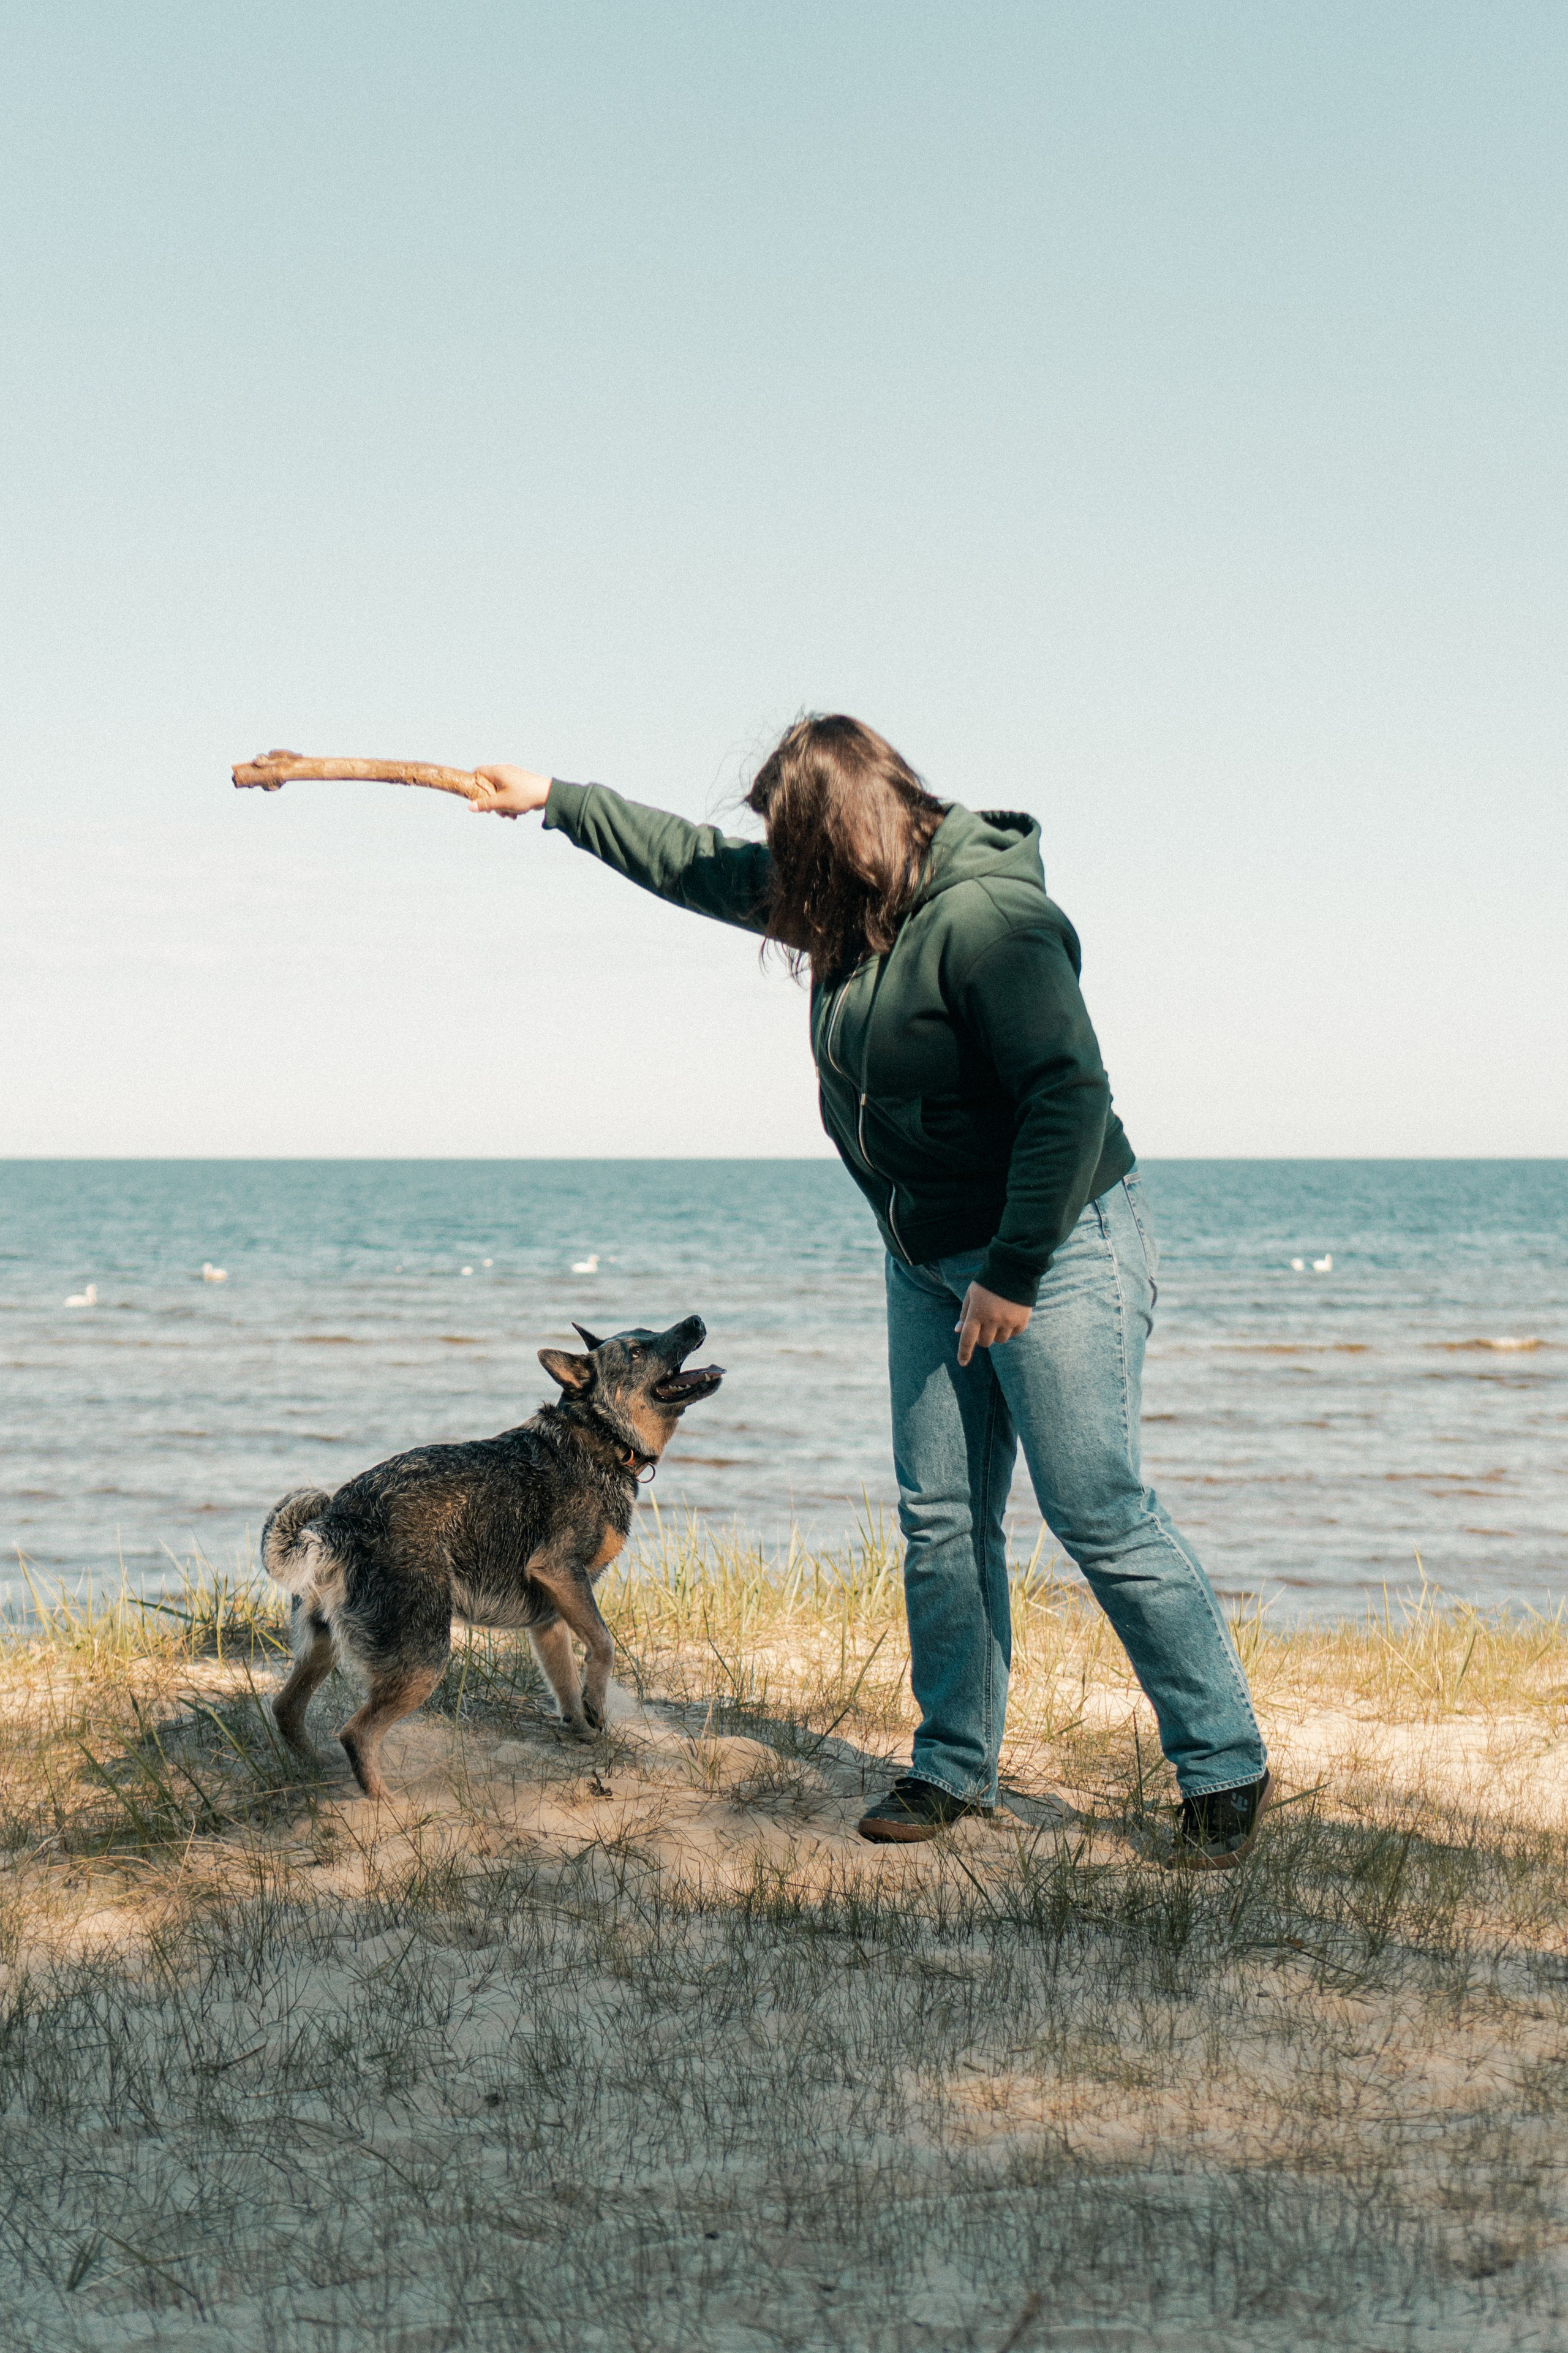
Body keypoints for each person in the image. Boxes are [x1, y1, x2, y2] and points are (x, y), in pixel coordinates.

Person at [468, 717, 1270, 1865]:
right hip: (927, 1257)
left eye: (793, 853)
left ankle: (1223, 1764)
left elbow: (1068, 1095)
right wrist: (552, 797)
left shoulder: (991, 921)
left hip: (1053, 1244)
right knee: (941, 1516)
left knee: (1095, 1507)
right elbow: (690, 861)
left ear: (846, 833)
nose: (780, 884)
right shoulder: (844, 903)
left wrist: (1011, 1270)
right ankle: (954, 1765)